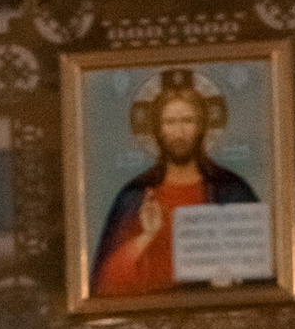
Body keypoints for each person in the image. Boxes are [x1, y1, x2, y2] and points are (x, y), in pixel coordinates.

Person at [89, 72, 264, 298]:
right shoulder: (134, 196)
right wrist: (146, 236)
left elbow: (258, 272)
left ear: (201, 127)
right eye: (170, 122)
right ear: (158, 129)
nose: (179, 132)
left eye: (187, 121)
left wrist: (230, 273)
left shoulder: (230, 190)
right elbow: (106, 285)